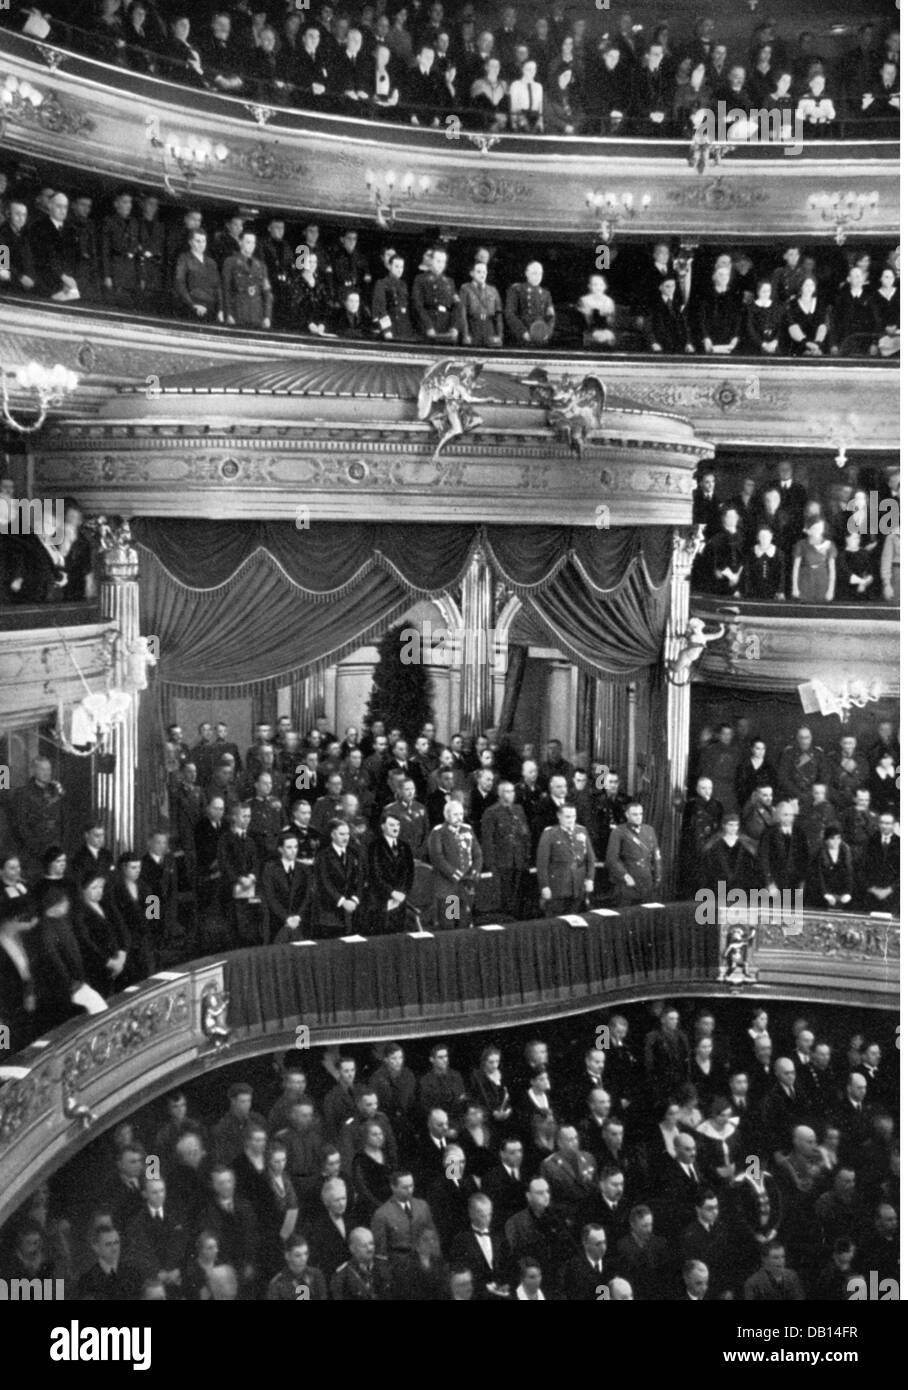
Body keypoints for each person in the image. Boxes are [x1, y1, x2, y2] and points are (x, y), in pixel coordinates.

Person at [427, 800, 482, 930]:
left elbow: (477, 854)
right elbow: (437, 858)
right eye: (455, 814)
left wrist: (474, 873)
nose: (459, 818)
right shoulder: (439, 832)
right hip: (449, 888)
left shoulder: (467, 829)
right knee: (450, 924)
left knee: (465, 923)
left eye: (461, 814)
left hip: (466, 886)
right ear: (446, 815)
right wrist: (456, 875)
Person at [366, 810, 415, 935]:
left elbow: (409, 874)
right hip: (381, 900)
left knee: (399, 936)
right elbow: (375, 874)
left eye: (397, 825)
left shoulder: (405, 846)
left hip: (400, 900)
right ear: (383, 826)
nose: (396, 828)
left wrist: (402, 893)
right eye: (392, 825)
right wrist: (392, 893)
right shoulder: (375, 846)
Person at [312, 819, 363, 938]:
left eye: (347, 834)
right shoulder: (323, 856)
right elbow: (324, 883)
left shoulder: (353, 854)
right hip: (330, 914)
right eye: (342, 834)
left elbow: (360, 879)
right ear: (333, 835)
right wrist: (342, 901)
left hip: (352, 912)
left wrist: (355, 900)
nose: (346, 838)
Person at [605, 801, 662, 905]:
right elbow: (612, 859)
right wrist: (625, 876)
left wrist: (657, 876)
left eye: (640, 814)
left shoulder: (649, 830)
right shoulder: (619, 832)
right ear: (627, 815)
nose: (638, 817)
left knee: (647, 916)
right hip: (628, 882)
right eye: (635, 814)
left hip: (646, 881)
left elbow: (656, 855)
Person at [505, 261, 555, 345]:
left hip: (541, 337)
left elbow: (551, 317)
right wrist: (523, 332)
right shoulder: (517, 290)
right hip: (522, 338)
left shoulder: (546, 294)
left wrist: (547, 333)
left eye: (540, 274)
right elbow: (510, 314)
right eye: (534, 273)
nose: (538, 276)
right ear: (527, 273)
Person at [457, 260, 504, 348]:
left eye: (484, 272)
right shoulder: (465, 289)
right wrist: (465, 334)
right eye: (478, 272)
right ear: (472, 273)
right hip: (473, 327)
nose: (482, 275)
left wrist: (499, 335)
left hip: (489, 329)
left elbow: (498, 315)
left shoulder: (493, 290)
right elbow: (462, 313)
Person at [266, 1234, 328, 1301]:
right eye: (298, 1255)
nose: (304, 1259)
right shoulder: (278, 1283)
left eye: (306, 1253)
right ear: (287, 1256)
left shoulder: (316, 1275)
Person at [792, 517, 837, 603]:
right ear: (808, 530)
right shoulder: (801, 544)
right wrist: (795, 587)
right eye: (815, 528)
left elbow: (832, 570)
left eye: (820, 528)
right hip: (805, 580)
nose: (818, 531)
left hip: (822, 580)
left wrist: (831, 590)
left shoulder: (829, 545)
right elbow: (796, 568)